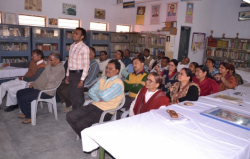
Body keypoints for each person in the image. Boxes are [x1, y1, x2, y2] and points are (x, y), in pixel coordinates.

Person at [66, 60, 124, 138]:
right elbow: (90, 92)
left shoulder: (118, 83)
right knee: (70, 116)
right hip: (94, 105)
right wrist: (99, 98)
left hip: (105, 111)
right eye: (107, 67)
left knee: (81, 123)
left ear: (117, 71)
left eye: (110, 69)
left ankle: (89, 139)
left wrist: (98, 92)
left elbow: (104, 96)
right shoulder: (103, 79)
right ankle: (86, 138)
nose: (107, 70)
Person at [17, 52, 65, 124]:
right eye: (49, 60)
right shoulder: (52, 65)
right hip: (40, 87)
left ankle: (30, 117)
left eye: (51, 60)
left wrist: (48, 66)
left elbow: (50, 78)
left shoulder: (59, 69)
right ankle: (26, 112)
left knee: (25, 98)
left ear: (57, 60)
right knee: (19, 93)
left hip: (47, 91)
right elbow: (41, 77)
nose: (49, 61)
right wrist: (34, 83)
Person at [58, 47, 100, 113]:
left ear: (93, 54)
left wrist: (79, 83)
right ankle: (68, 103)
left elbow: (90, 79)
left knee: (65, 90)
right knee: (59, 85)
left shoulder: (94, 64)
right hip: (77, 81)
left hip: (87, 85)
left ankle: (72, 105)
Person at [65, 27, 90, 110]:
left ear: (82, 36)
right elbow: (70, 62)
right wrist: (67, 75)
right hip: (71, 73)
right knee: (72, 94)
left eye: (76, 33)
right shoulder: (72, 46)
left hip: (79, 74)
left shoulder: (84, 48)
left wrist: (82, 80)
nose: (73, 35)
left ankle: (78, 114)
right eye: (74, 33)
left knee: (78, 96)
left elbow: (86, 65)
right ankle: (74, 112)